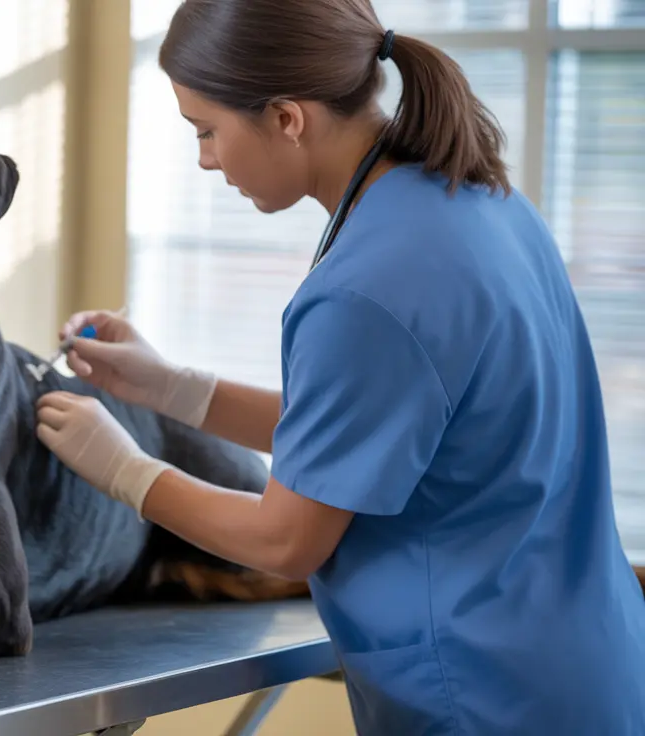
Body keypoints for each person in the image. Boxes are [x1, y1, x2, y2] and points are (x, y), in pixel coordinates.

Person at [34, 0, 645, 733]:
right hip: (585, 662)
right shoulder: (479, 201)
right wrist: (168, 387)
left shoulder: (367, 286)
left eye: (206, 130)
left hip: (486, 693)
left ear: (286, 117)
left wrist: (125, 471)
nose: (205, 159)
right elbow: (371, 427)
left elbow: (285, 540)